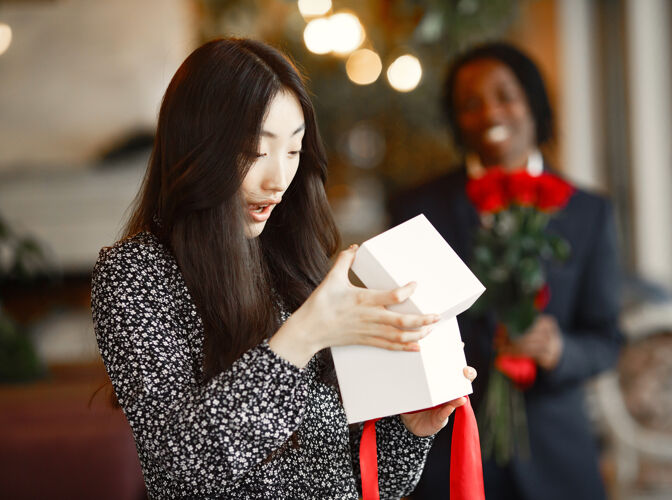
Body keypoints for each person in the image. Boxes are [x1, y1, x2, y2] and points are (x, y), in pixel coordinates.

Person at [91, 38, 476, 500]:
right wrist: (303, 336)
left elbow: (366, 486)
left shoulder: (294, 261)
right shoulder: (136, 275)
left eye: (293, 151)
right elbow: (180, 470)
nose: (278, 180)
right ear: (197, 146)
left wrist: (410, 431)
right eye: (257, 149)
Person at [389, 41, 623, 499]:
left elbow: (607, 339)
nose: (489, 112)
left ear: (533, 102)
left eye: (505, 95)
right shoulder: (416, 209)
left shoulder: (589, 213)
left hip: (559, 459)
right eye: (470, 104)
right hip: (450, 459)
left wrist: (560, 351)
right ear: (456, 120)